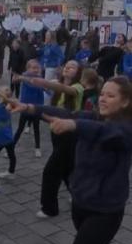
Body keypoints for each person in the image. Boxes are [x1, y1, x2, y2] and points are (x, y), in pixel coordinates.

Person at [9, 76, 132, 244]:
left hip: (106, 210)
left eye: (110, 96)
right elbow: (66, 113)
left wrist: (74, 125)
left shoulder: (129, 129)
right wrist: (28, 107)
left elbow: (105, 132)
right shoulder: (94, 117)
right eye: (102, 94)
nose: (102, 98)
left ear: (125, 102)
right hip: (80, 201)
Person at [15, 60, 83, 218]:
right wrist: (24, 79)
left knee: (51, 172)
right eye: (66, 65)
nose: (67, 67)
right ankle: (77, 194)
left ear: (79, 72)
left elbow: (65, 89)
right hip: (57, 131)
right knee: (66, 168)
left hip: (70, 132)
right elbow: (42, 86)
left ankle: (49, 208)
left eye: (72, 66)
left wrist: (46, 82)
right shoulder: (56, 85)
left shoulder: (78, 87)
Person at [12, 60, 44, 157]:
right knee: (20, 129)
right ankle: (11, 147)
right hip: (25, 107)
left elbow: (42, 91)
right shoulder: (25, 77)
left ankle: (37, 148)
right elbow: (31, 86)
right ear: (28, 69)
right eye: (33, 68)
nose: (35, 70)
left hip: (36, 107)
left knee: (36, 129)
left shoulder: (39, 78)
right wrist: (17, 78)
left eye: (37, 68)